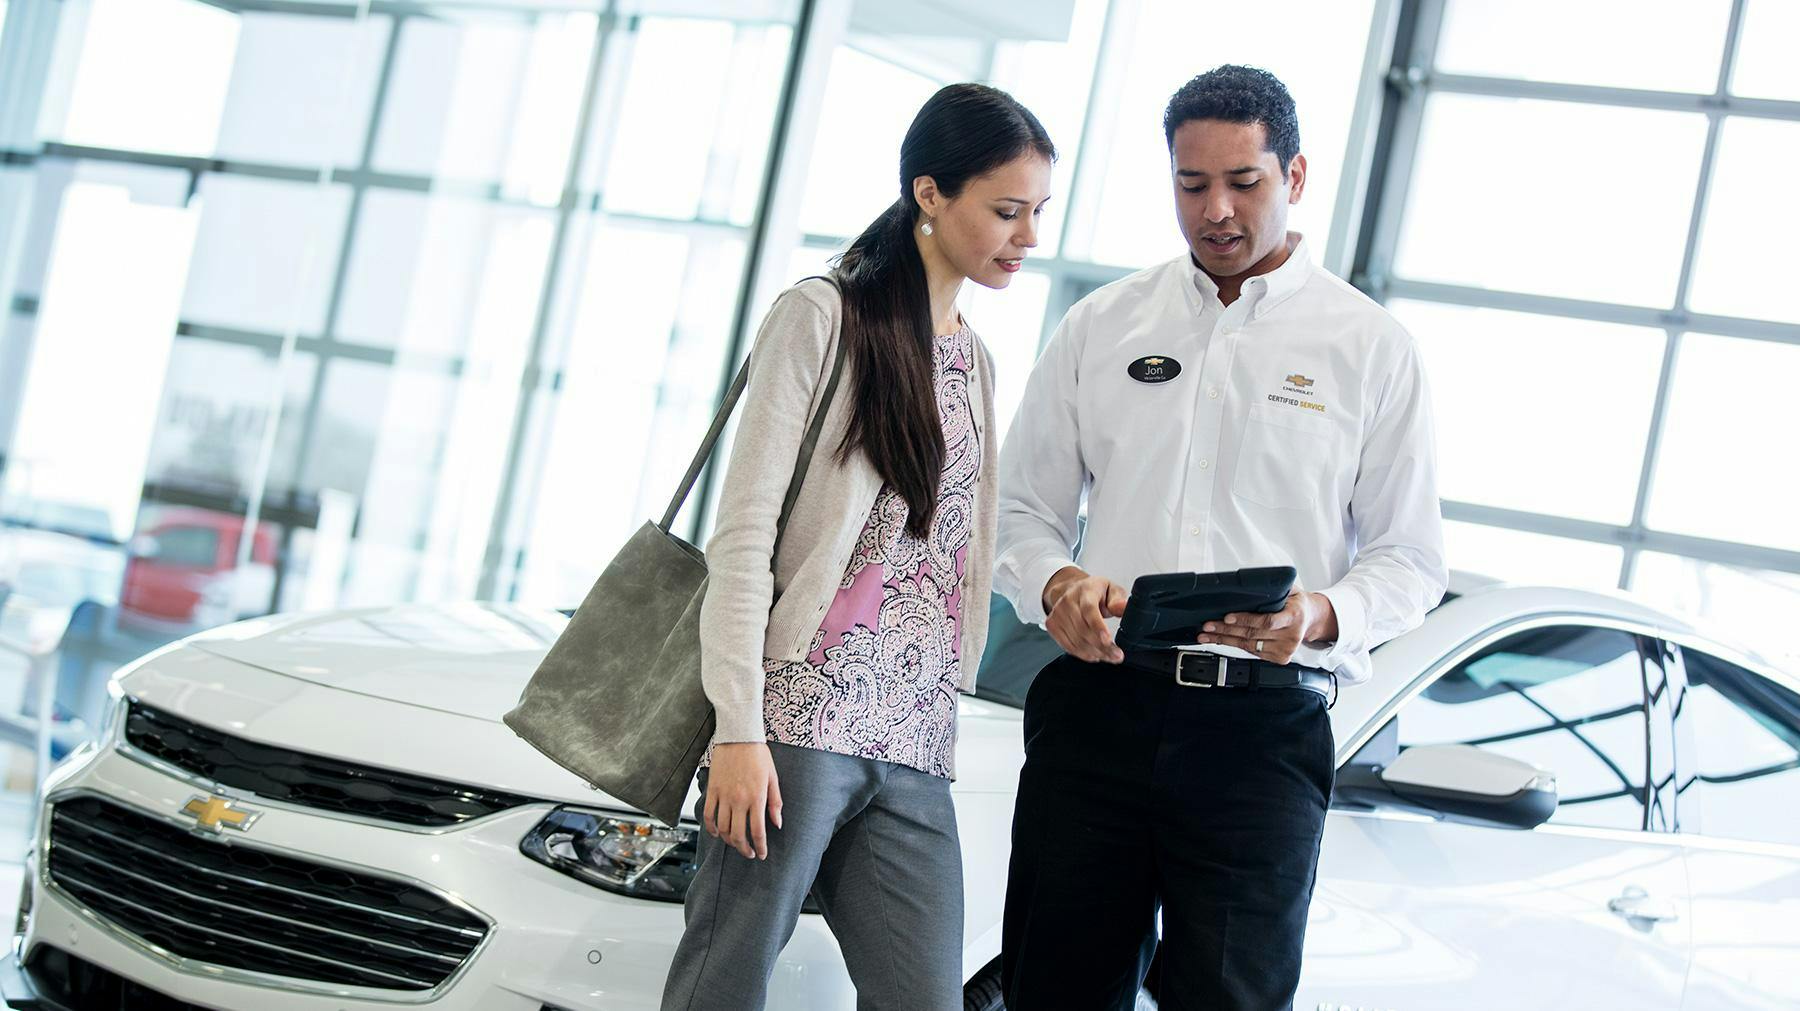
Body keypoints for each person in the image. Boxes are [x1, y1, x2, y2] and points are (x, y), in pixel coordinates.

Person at [994, 64, 1447, 1011]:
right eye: (1191, 184)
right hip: (1099, 709)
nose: (1218, 211)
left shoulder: (1370, 348)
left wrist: (1322, 614)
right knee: (1052, 991)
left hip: (1261, 735)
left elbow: (1409, 559)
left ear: (1297, 176)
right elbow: (1018, 510)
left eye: (1246, 182)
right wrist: (1053, 584)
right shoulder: (1101, 324)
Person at [660, 83, 1054, 1011]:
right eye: (1006, 211)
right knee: (725, 979)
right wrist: (738, 726)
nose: (1027, 236)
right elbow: (746, 533)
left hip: (915, 734)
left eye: (1038, 212)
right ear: (929, 193)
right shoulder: (822, 315)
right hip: (797, 718)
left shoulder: (977, 360)